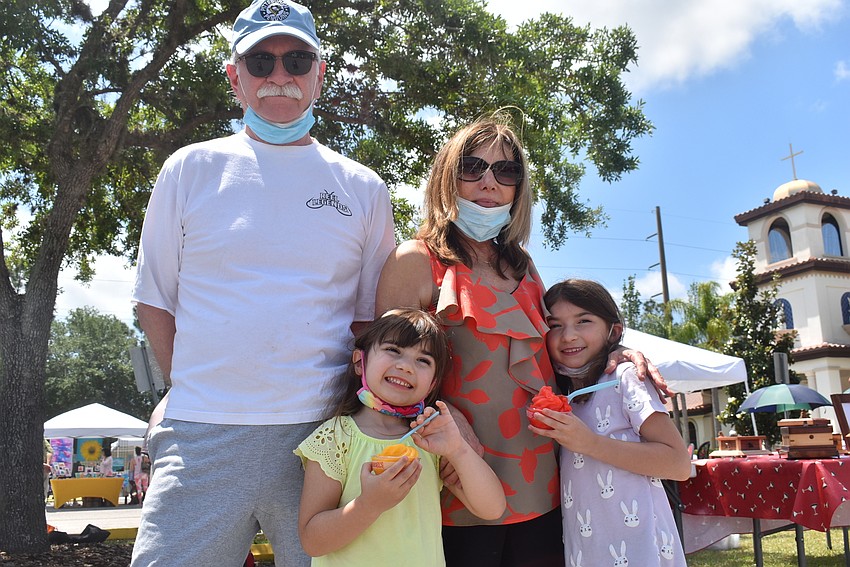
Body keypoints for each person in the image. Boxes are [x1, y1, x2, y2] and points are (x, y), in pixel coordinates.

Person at [129, 0, 395, 564]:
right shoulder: (188, 168)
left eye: (297, 60)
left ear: (320, 74)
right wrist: (192, 389)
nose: (281, 76)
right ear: (235, 77)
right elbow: (153, 302)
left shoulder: (365, 188)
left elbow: (370, 322)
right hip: (201, 435)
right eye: (261, 61)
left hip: (322, 438)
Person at [375, 114, 664, 566]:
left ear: (518, 188)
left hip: (543, 482)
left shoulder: (524, 266)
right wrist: (443, 422)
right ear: (447, 177)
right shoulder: (414, 260)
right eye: (473, 166)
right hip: (457, 480)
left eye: (506, 170)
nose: (489, 180)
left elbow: (563, 345)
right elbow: (384, 374)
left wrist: (619, 351)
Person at [296, 308, 505, 565]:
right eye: (393, 350)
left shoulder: (431, 438)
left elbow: (492, 509)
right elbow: (312, 541)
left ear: (432, 384)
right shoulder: (334, 437)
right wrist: (368, 505)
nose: (406, 366)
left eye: (423, 360)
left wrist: (459, 450)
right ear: (360, 362)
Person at [529, 279, 690, 566]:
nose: (567, 336)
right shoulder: (563, 392)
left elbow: (678, 464)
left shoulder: (625, 377)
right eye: (555, 325)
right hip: (588, 551)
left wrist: (589, 443)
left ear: (613, 331)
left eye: (584, 321)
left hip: (641, 551)